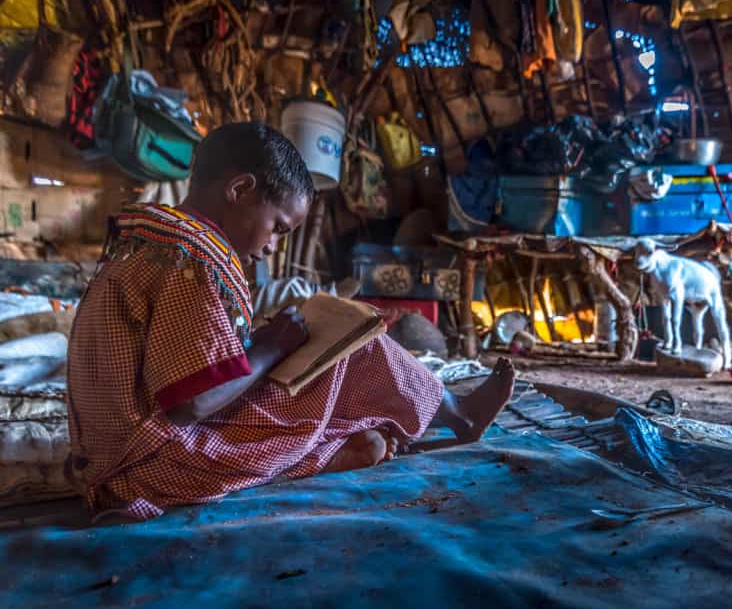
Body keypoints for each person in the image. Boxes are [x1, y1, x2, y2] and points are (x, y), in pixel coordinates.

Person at [66, 122, 515, 520]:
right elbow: (194, 403)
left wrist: (262, 344)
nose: (274, 247)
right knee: (355, 352)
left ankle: (355, 446)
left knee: (318, 366)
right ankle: (458, 418)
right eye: (279, 227)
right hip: (160, 464)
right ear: (239, 189)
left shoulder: (151, 239)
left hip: (113, 460)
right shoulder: (193, 259)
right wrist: (272, 347)